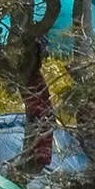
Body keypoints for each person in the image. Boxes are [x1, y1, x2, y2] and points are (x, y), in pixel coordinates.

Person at [21, 38, 55, 173]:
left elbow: (42, 105)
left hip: (41, 120)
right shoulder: (27, 77)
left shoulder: (35, 77)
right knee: (31, 160)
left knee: (35, 160)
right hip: (37, 120)